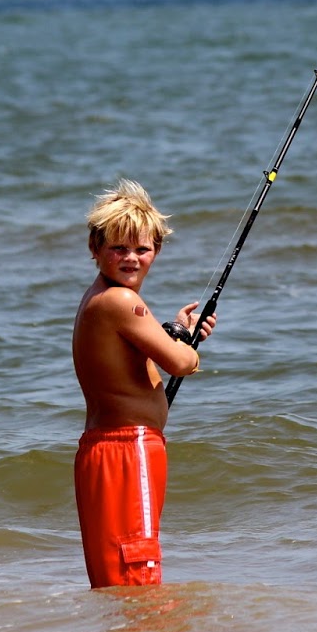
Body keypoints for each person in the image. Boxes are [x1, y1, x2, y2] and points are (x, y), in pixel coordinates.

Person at [72, 178, 216, 588]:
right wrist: (188, 349)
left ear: (158, 249)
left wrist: (179, 331)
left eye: (142, 249)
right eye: (118, 248)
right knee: (138, 575)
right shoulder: (122, 301)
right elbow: (180, 363)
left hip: (103, 449)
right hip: (128, 449)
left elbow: (139, 355)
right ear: (95, 247)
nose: (131, 258)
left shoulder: (99, 297)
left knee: (115, 582)